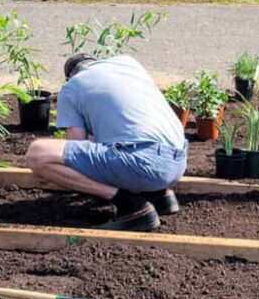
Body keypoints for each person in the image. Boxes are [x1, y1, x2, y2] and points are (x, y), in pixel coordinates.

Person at [25, 54, 189, 232]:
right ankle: (160, 195)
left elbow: (76, 145)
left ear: (70, 76)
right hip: (178, 162)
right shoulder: (128, 64)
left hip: (144, 166)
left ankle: (131, 206)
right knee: (126, 138)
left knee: (38, 153)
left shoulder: (72, 87)